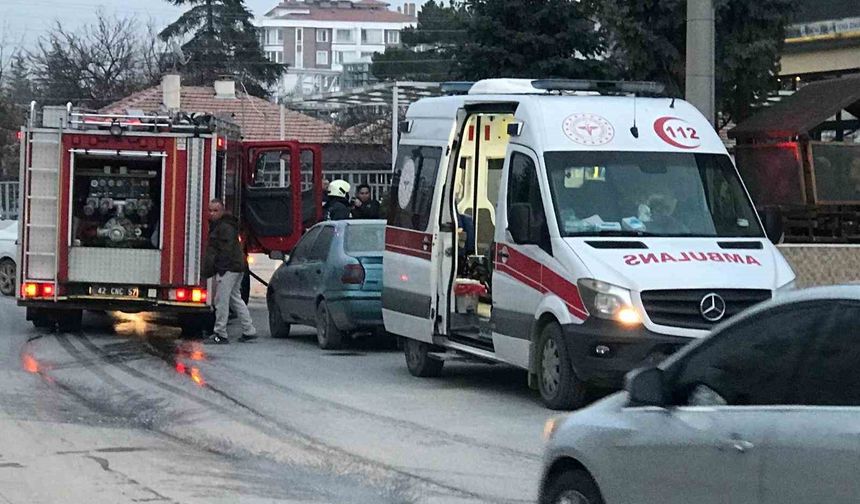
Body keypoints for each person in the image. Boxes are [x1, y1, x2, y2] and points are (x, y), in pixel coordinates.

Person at [202, 199, 257, 344]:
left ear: (222, 211)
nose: (212, 213)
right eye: (210, 210)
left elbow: (224, 251)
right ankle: (249, 330)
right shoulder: (226, 225)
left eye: (215, 210)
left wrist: (220, 269)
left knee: (221, 300)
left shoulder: (223, 227)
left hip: (229, 268)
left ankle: (221, 334)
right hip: (237, 267)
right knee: (235, 298)